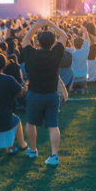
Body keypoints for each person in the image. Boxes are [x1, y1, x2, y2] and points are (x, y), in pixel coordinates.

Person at [21, 18, 66, 165]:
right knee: (53, 126)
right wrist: (50, 24)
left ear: (38, 42)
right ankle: (54, 155)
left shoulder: (32, 54)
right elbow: (64, 36)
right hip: (52, 94)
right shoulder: (56, 53)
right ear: (53, 42)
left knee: (30, 123)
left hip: (35, 94)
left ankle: (33, 150)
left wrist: (37, 26)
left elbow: (26, 39)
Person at [68, 28, 90, 93]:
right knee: (82, 89)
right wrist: (85, 32)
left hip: (74, 78)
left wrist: (72, 40)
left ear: (74, 44)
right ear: (83, 44)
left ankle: (74, 89)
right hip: (83, 77)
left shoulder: (71, 53)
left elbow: (69, 46)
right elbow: (87, 41)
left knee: (72, 89)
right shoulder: (85, 51)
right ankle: (82, 89)